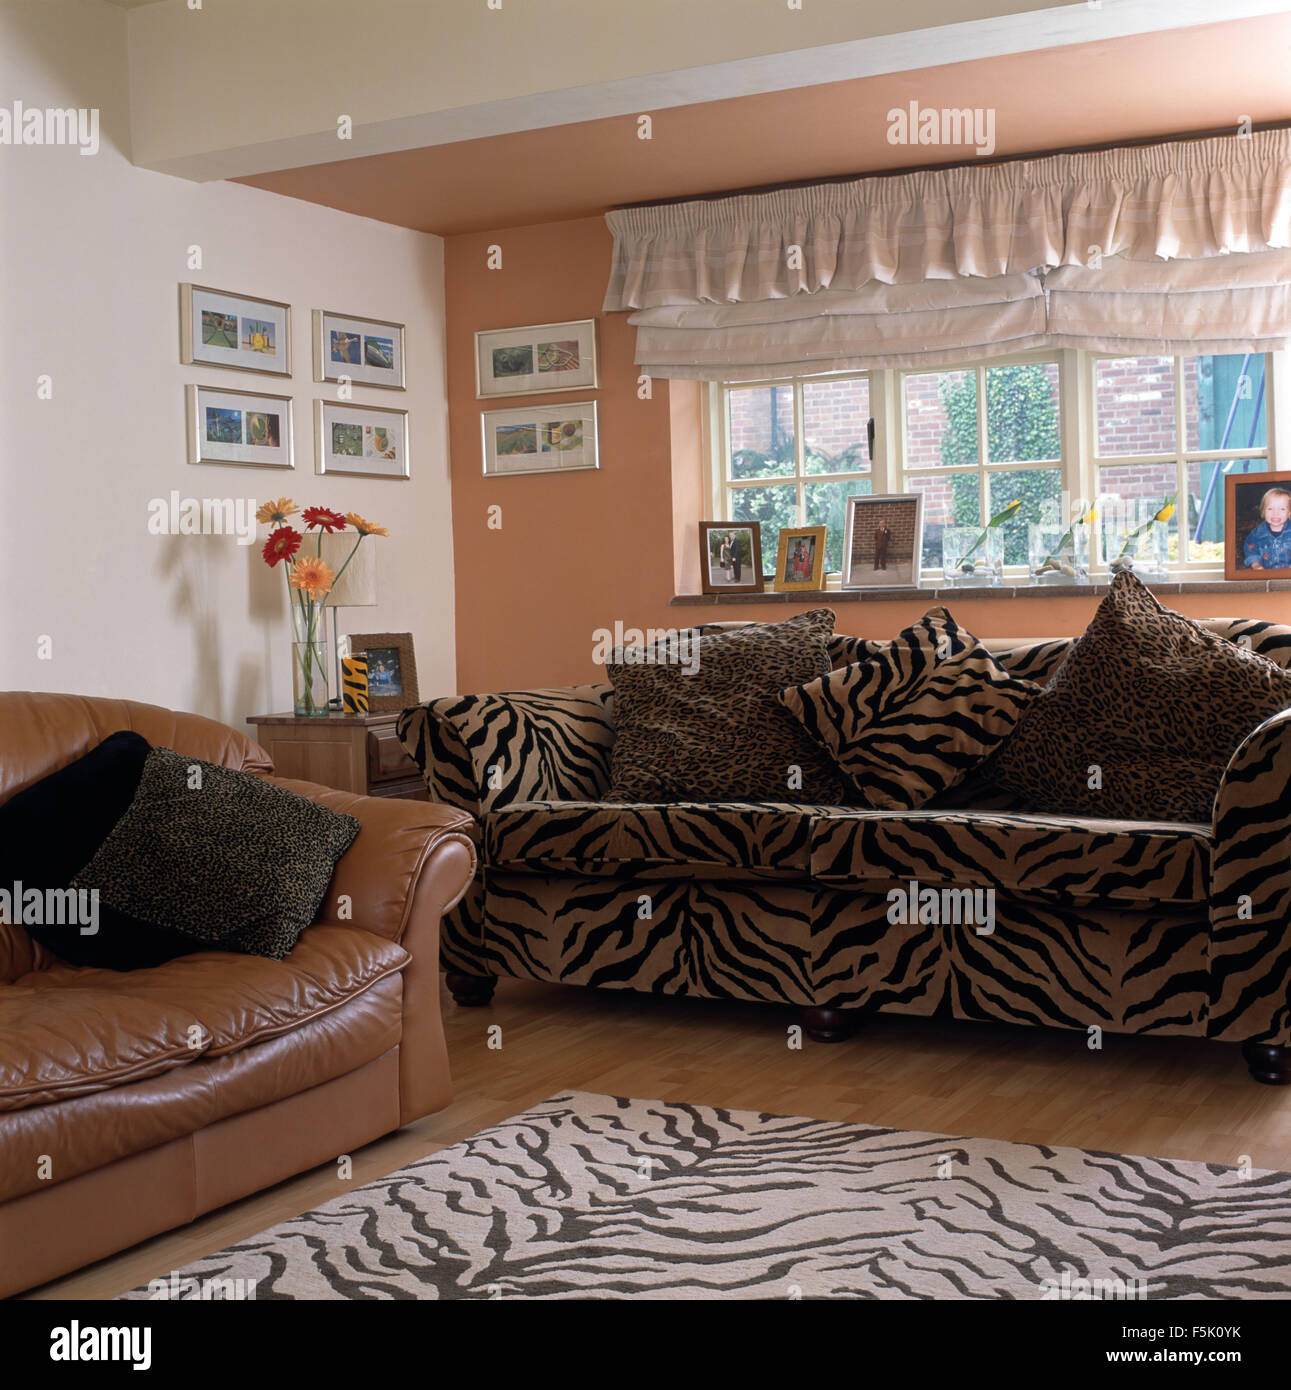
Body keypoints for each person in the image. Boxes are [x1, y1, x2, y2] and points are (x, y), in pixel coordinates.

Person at [1243, 487, 1291, 570]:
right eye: (1270, 509)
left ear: (1289, 513)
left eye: (1282, 509)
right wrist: (1256, 565)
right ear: (1263, 511)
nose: (1276, 513)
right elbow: (1251, 552)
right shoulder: (1256, 534)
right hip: (1265, 575)